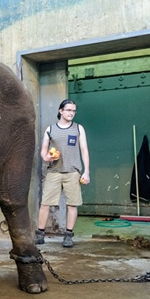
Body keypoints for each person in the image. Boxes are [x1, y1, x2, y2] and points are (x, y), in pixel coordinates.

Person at [35, 99, 90, 248]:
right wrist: (47, 157)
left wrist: (86, 171)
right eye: (68, 110)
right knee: (45, 203)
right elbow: (44, 150)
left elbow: (84, 150)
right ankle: (40, 234)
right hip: (54, 171)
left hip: (73, 172)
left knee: (72, 204)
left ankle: (68, 235)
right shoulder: (50, 129)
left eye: (73, 111)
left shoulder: (78, 129)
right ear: (61, 111)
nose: (71, 113)